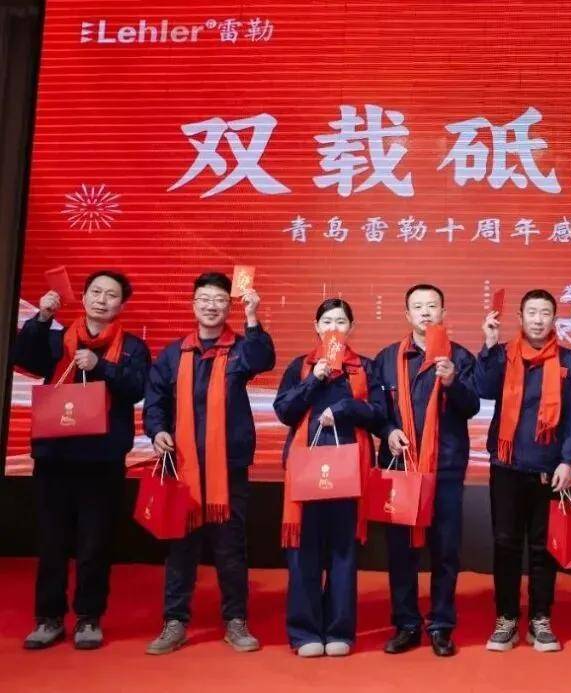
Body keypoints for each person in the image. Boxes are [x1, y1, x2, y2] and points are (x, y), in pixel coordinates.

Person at [15, 271, 150, 650]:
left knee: (95, 543)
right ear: (85, 296)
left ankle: (89, 617)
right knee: (51, 542)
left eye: (111, 295)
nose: (102, 300)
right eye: (96, 292)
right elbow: (24, 359)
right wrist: (41, 318)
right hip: (54, 456)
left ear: (121, 304)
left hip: (102, 459)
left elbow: (137, 388)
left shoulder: (132, 347)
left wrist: (100, 365)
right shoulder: (57, 338)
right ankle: (48, 617)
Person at [142, 271, 275, 654]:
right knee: (180, 548)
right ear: (193, 304)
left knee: (230, 548)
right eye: (204, 299)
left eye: (219, 300)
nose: (211, 306)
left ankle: (236, 620)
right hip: (183, 466)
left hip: (227, 467)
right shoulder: (174, 354)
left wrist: (252, 317)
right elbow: (156, 402)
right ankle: (174, 622)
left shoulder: (239, 350)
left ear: (228, 306)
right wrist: (157, 431)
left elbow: (263, 359)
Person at [474, 289, 571, 653]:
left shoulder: (569, 360)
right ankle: (506, 618)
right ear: (520, 318)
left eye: (545, 313)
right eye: (532, 313)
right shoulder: (503, 354)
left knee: (544, 549)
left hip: (549, 468)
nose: (538, 320)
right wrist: (489, 345)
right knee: (505, 545)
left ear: (554, 318)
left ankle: (541, 618)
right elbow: (482, 388)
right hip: (506, 466)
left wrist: (568, 460)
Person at [372, 284, 480, 657]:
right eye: (417, 307)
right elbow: (376, 411)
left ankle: (441, 625)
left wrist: (452, 381)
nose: (425, 313)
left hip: (445, 468)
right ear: (407, 315)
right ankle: (405, 624)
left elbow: (471, 407)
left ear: (443, 313)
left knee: (445, 550)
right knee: (401, 552)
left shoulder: (459, 356)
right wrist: (388, 431)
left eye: (432, 306)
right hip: (401, 468)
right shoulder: (388, 358)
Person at [274, 299, 386, 657]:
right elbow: (284, 411)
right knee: (303, 553)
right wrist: (314, 379)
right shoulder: (301, 366)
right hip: (305, 471)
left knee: (342, 553)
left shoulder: (364, 367)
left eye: (340, 321)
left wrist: (345, 408)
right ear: (316, 327)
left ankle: (339, 630)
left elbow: (379, 415)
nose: (333, 327)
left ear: (351, 328)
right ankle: (304, 632)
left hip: (349, 473)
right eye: (326, 321)